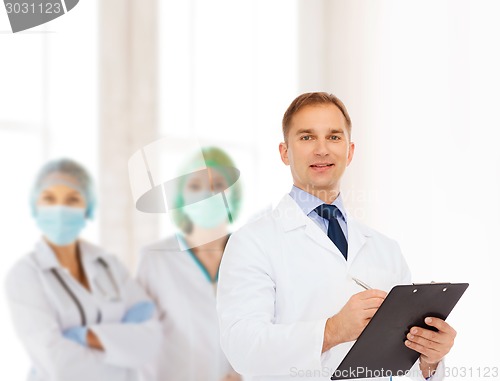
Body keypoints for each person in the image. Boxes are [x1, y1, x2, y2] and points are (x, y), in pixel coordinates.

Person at [216, 92, 457, 381]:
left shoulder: (385, 249)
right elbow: (242, 349)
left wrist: (430, 359)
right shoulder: (252, 242)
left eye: (333, 137)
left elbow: (400, 367)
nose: (322, 150)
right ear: (284, 152)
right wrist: (331, 331)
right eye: (306, 137)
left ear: (350, 151)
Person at [4, 158, 162, 381]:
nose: (60, 209)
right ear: (35, 206)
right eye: (49, 199)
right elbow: (58, 365)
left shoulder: (109, 265)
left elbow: (150, 340)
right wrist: (120, 351)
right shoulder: (25, 275)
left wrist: (83, 337)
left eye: (72, 199)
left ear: (87, 207)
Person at [137, 147, 242, 381]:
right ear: (181, 197)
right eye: (195, 186)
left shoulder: (253, 254)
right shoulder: (156, 259)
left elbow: (274, 334)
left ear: (233, 195)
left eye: (218, 185)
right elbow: (140, 344)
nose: (207, 193)